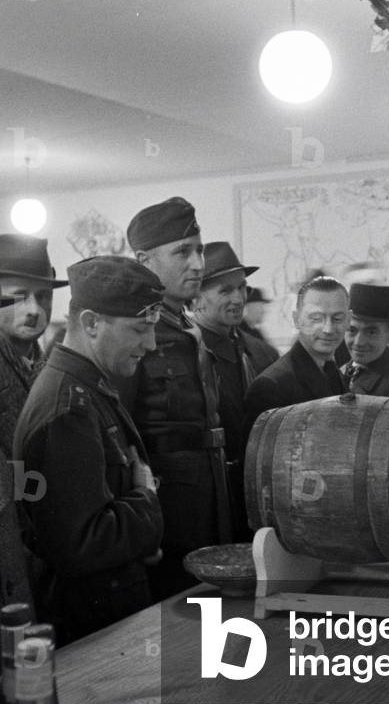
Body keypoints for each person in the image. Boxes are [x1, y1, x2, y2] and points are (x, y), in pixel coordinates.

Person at [13, 256, 164, 644]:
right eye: (139, 329)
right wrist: (146, 500)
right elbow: (79, 545)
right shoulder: (68, 409)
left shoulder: (83, 387)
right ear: (91, 323)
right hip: (95, 628)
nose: (150, 344)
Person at [120, 197, 232, 600]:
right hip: (169, 502)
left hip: (209, 488)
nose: (198, 264)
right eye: (183, 252)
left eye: (199, 250)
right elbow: (123, 431)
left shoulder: (186, 322)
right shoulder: (136, 329)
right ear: (144, 261)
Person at [0, 234, 70, 609]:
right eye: (18, 296)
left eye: (43, 297)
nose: (34, 309)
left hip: (45, 543)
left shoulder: (46, 363)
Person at [193, 242, 278, 540]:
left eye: (242, 288)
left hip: (258, 500)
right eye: (225, 290)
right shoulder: (189, 353)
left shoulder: (263, 353)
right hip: (210, 505)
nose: (238, 298)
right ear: (197, 297)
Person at [244, 276, 347, 421]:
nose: (328, 329)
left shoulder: (333, 372)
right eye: (316, 318)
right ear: (297, 319)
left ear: (348, 320)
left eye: (337, 318)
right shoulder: (270, 387)